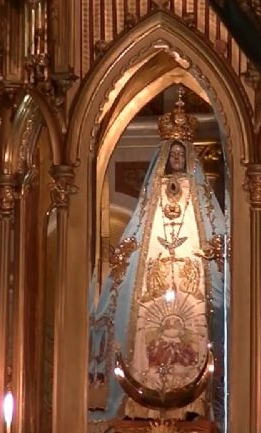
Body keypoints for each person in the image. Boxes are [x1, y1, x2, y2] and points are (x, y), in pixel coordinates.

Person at [88, 92, 228, 428]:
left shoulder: (199, 197)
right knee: (147, 333)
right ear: (164, 156)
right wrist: (130, 261)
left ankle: (191, 402)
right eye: (173, 153)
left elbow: (211, 235)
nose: (177, 158)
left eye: (182, 153)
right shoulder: (153, 196)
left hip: (190, 280)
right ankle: (146, 404)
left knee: (193, 329)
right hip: (155, 278)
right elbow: (139, 233)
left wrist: (211, 257)